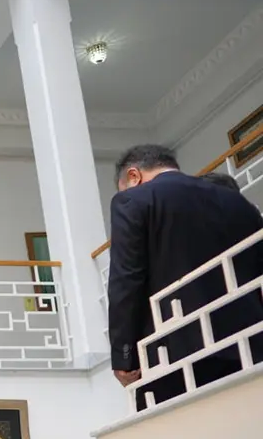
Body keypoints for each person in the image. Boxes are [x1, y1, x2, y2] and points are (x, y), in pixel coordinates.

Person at [108, 144, 263, 409]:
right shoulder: (237, 201)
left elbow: (126, 279)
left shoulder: (134, 200)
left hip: (176, 354)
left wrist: (124, 356)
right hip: (249, 344)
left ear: (134, 176)